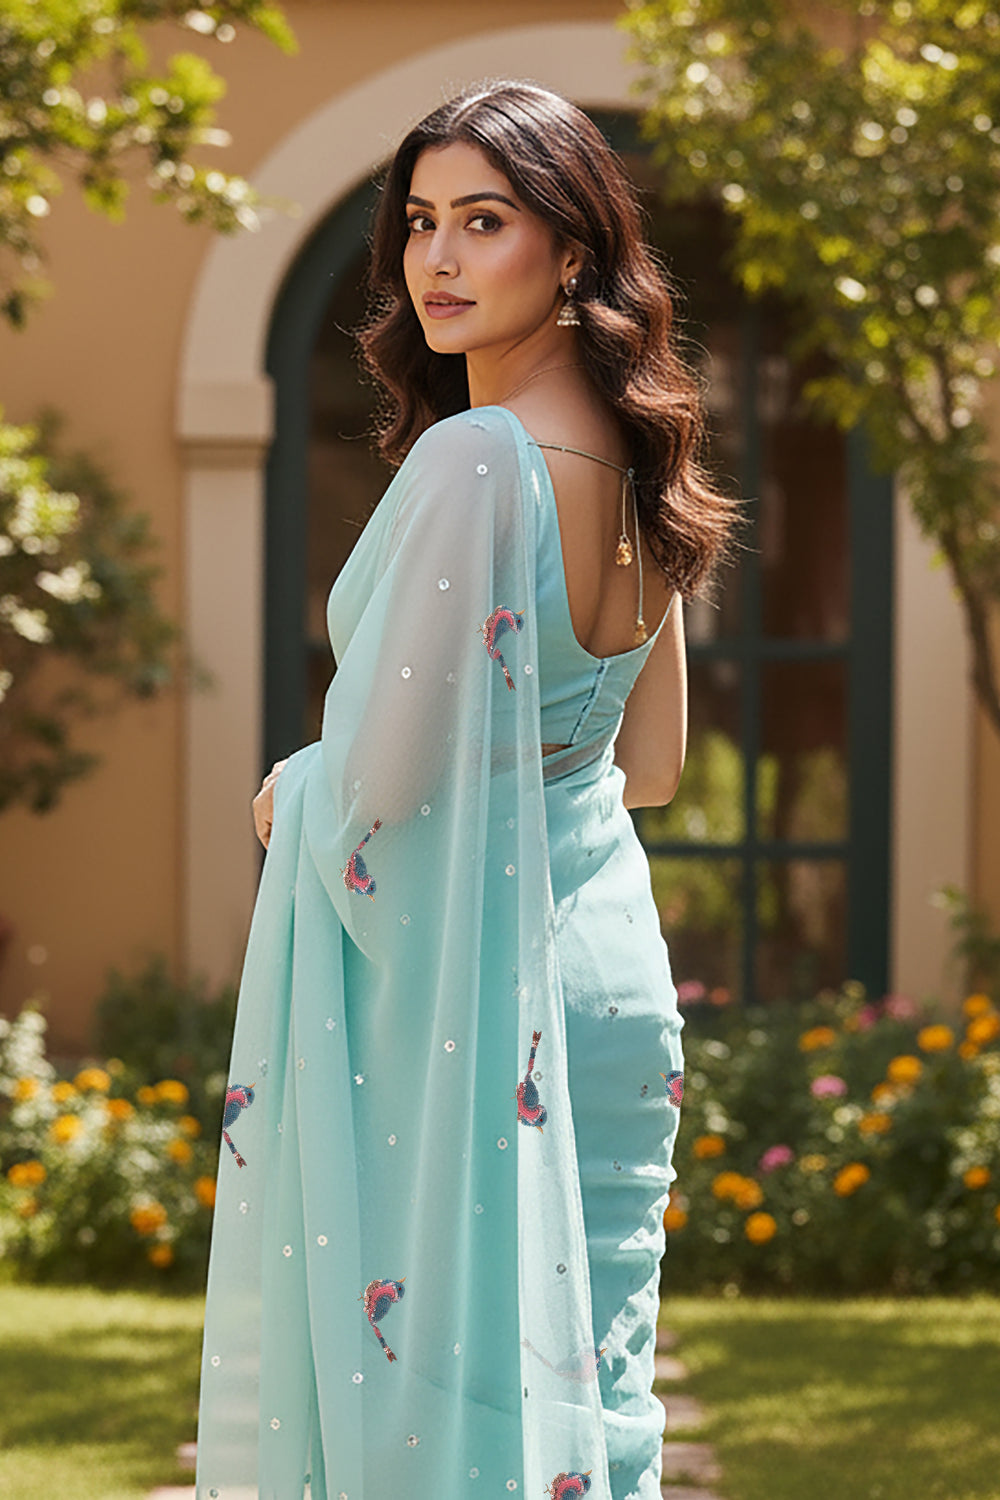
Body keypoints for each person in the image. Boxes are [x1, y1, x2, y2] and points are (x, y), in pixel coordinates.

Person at [194, 80, 742, 1500]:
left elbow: (374, 792)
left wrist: (290, 794)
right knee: (588, 1392)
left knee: (450, 1422)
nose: (436, 260)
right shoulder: (637, 455)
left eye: (483, 222)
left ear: (571, 252)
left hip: (484, 1018)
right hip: (611, 986)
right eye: (421, 223)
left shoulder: (475, 459)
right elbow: (658, 766)